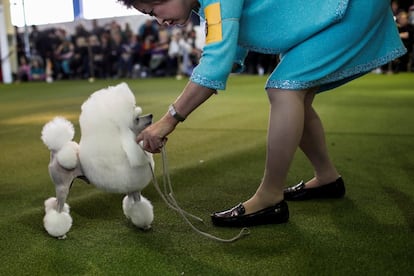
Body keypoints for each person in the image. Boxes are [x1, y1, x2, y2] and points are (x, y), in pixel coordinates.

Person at [118, 0, 406, 227]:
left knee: (284, 90)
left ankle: (270, 196)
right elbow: (228, 53)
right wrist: (213, 71)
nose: (159, 20)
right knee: (294, 93)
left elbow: (217, 62)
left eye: (154, 9)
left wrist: (169, 120)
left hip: (350, 5)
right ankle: (327, 178)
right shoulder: (206, 8)